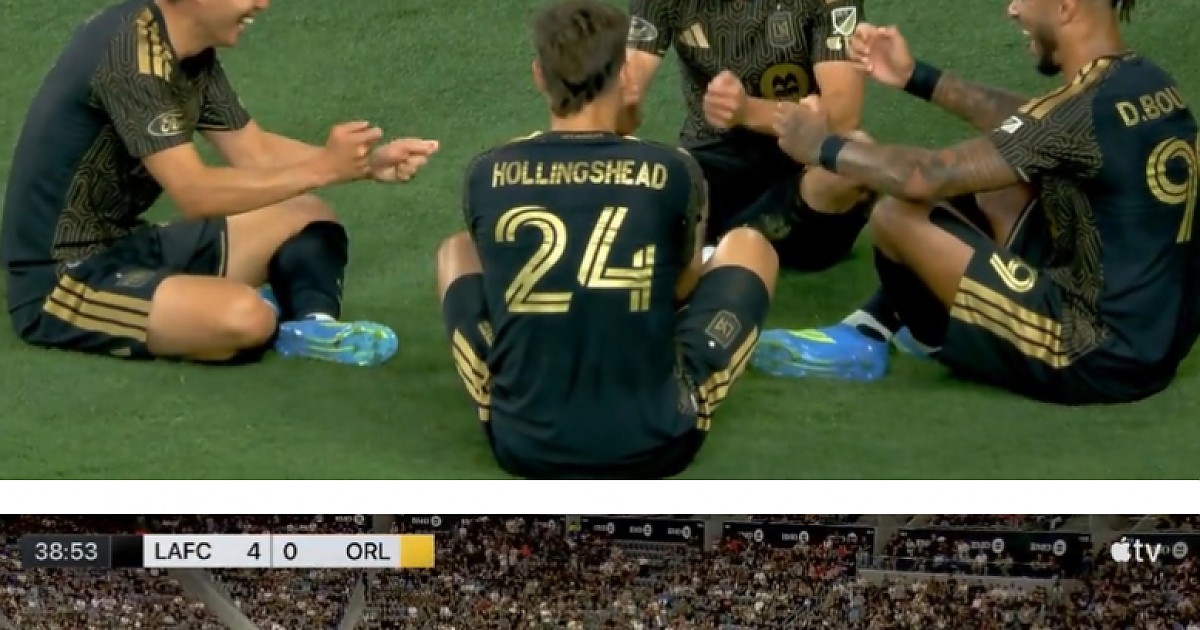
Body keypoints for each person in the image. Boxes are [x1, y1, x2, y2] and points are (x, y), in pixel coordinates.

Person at [754, 0, 1200, 404]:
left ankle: (900, 332)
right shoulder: (1143, 80)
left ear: (1066, 7)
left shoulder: (1078, 112)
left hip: (1094, 356)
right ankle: (878, 324)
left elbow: (923, 177)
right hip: (1152, 341)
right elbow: (1034, 127)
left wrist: (821, 146)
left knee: (897, 216)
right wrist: (918, 77)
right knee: (1003, 182)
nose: (1013, 9)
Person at [436, 0, 778, 479]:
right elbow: (681, 289)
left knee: (456, 249)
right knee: (751, 247)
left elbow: (495, 285)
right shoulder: (674, 169)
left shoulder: (487, 171)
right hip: (657, 442)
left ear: (539, 75)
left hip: (524, 445)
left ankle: (509, 387)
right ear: (626, 75)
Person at [1, 0, 439, 365]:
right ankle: (239, 314)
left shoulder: (189, 51)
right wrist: (325, 167)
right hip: (63, 280)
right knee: (245, 318)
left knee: (308, 215)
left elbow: (255, 153)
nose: (261, 4)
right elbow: (195, 194)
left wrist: (363, 165)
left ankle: (312, 328)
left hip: (131, 245)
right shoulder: (129, 57)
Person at [622, 0, 874, 270]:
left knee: (856, 157)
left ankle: (716, 246)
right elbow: (624, 89)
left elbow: (843, 116)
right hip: (710, 164)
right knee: (650, 172)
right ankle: (730, 243)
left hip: (800, 175)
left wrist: (748, 111)